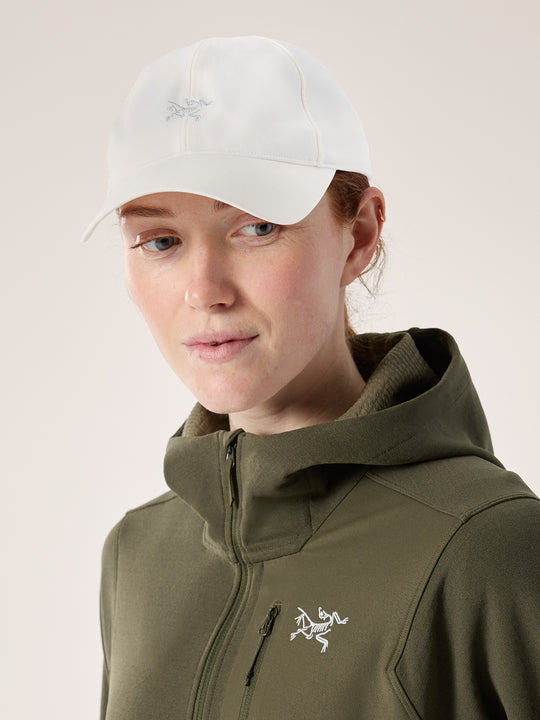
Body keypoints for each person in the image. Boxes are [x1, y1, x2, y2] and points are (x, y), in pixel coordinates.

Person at [83, 36, 540, 719]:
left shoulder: (491, 547)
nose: (204, 291)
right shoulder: (138, 556)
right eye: (161, 241)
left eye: (256, 228)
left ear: (359, 234)